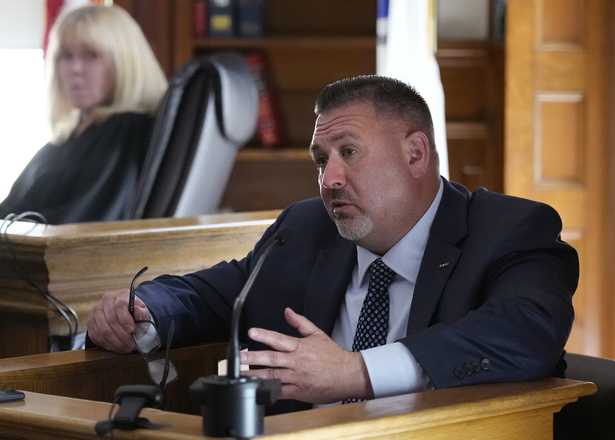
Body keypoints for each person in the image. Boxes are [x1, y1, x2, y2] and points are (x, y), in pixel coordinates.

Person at [87, 76, 578, 414]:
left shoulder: (509, 229)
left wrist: (357, 373)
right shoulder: (306, 227)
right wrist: (145, 310)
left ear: (416, 153)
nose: (329, 179)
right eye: (321, 159)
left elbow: (527, 331)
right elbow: (219, 293)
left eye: (349, 153)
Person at [0, 5, 167, 224]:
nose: (75, 68)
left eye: (91, 56)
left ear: (125, 61)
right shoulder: (61, 141)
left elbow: (81, 223)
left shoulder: (127, 131)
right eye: (66, 56)